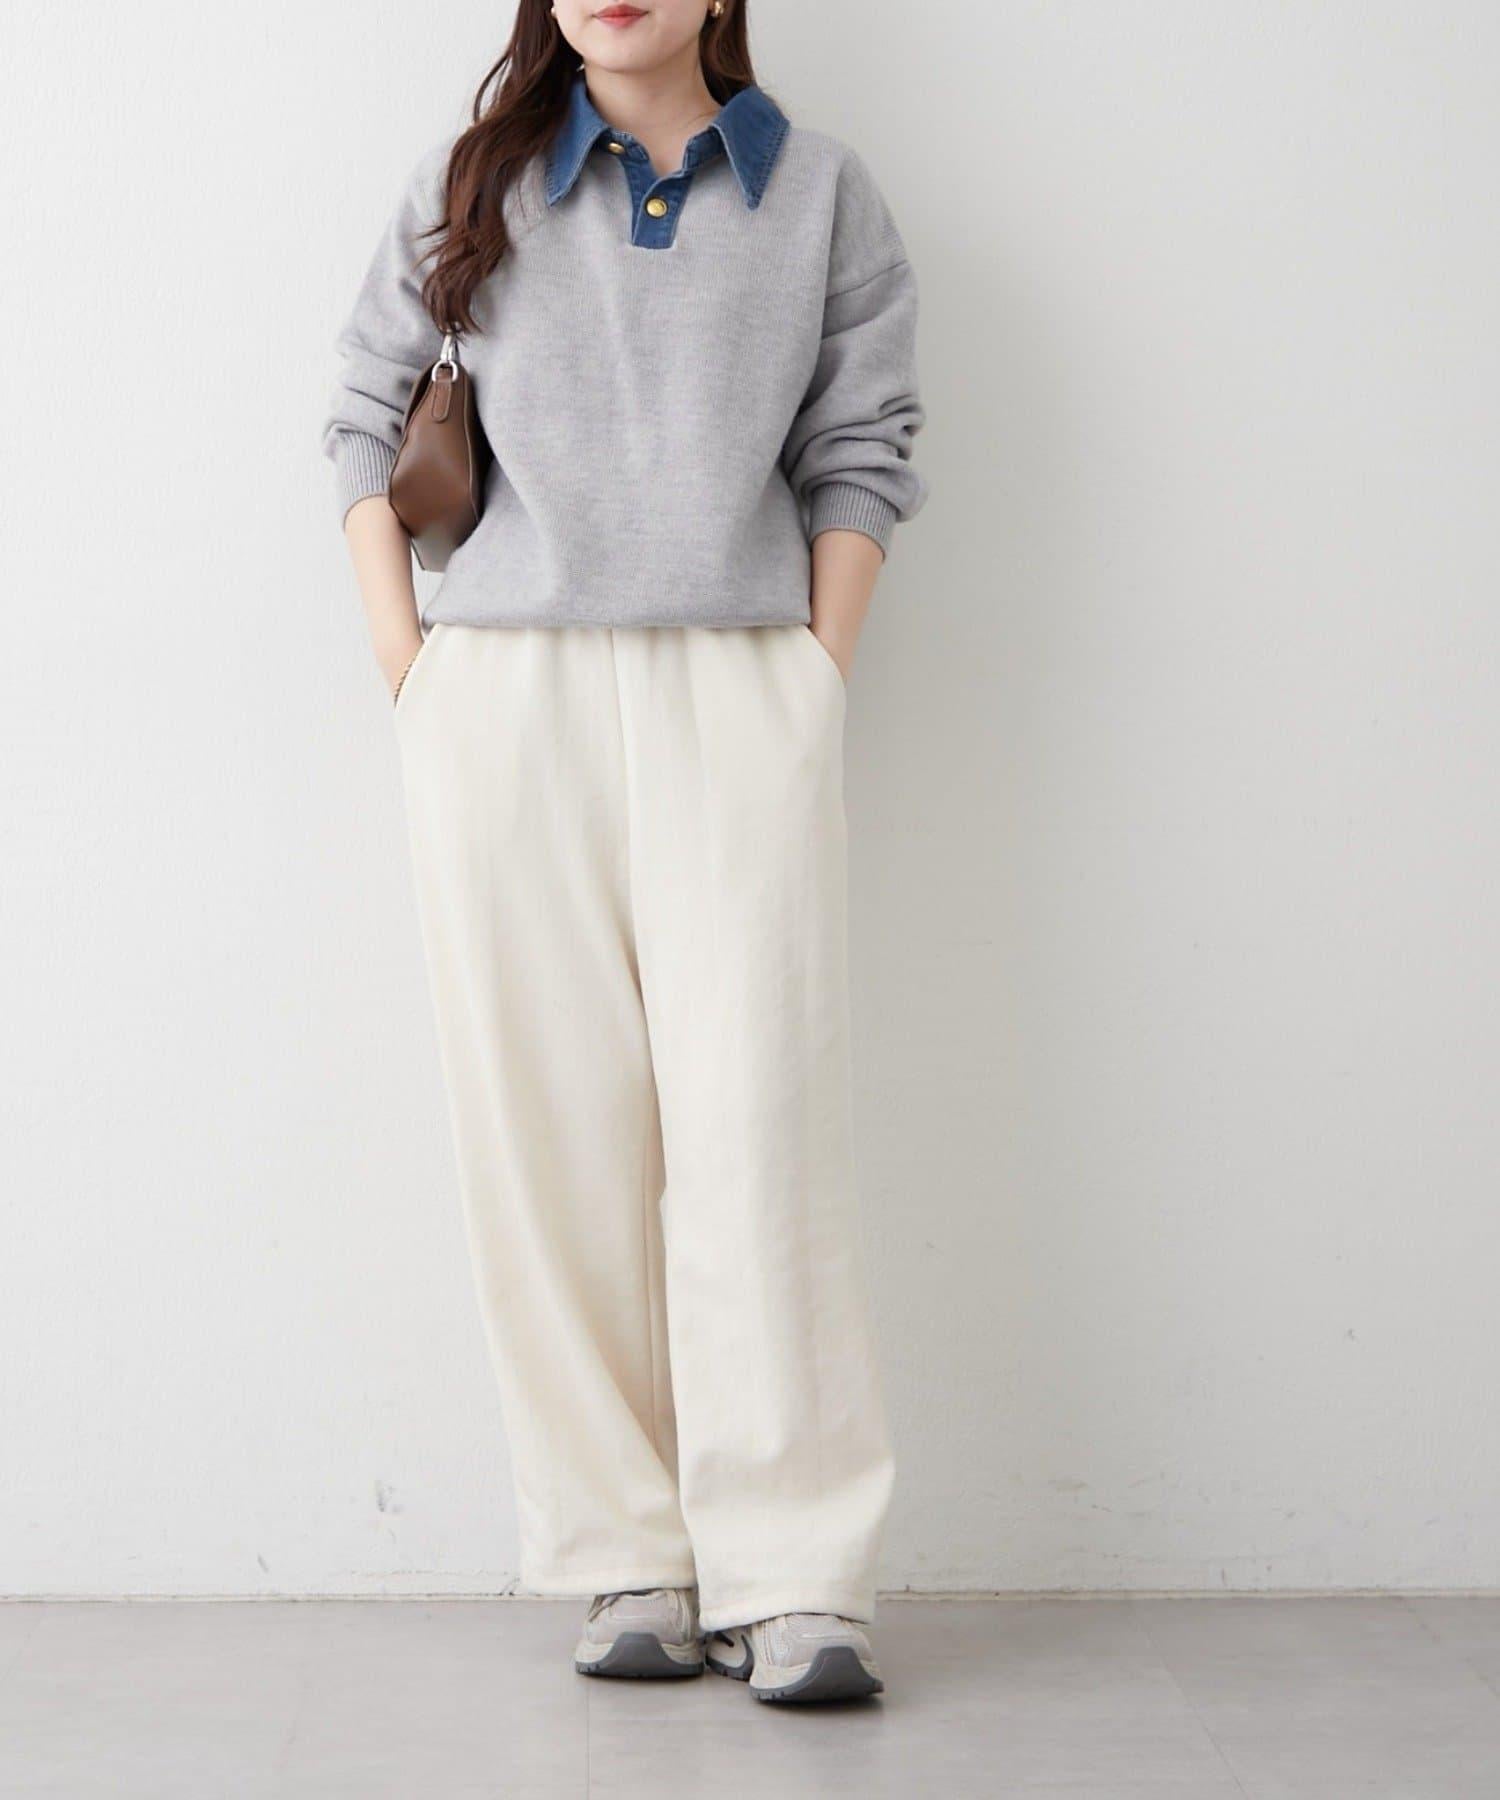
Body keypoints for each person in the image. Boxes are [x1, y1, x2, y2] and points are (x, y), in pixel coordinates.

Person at [323, 0, 926, 1705]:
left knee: (760, 1122)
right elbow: (362, 418)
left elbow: (864, 445)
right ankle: (624, 1556)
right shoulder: (472, 182)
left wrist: (810, 677)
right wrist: (413, 672)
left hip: (738, 685)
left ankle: (793, 1571)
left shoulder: (820, 192)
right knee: (549, 1132)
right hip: (502, 697)